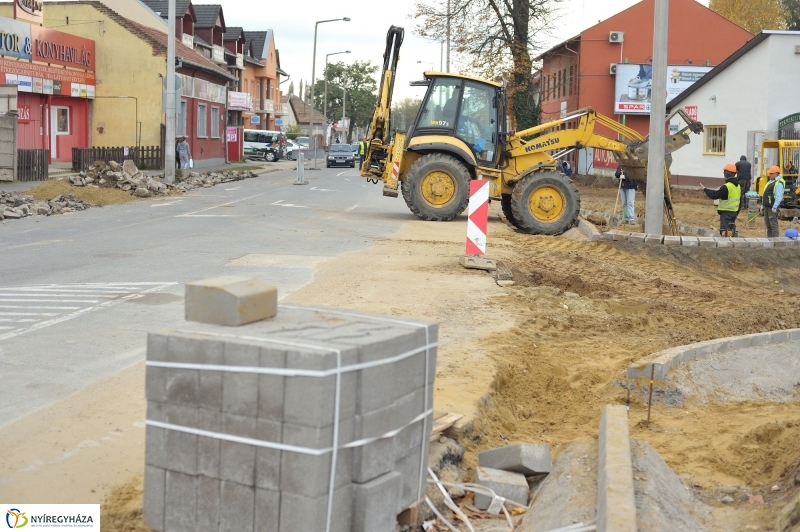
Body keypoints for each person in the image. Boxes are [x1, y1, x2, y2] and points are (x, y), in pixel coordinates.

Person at [701, 164, 742, 236]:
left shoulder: (726, 187)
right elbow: (740, 201)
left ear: (725, 174)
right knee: (731, 232)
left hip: (726, 214)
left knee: (724, 233)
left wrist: (705, 189)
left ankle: (726, 246)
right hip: (734, 213)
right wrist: (736, 213)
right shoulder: (738, 186)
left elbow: (714, 195)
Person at [762, 165, 785, 238]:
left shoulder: (779, 183)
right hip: (767, 206)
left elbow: (779, 197)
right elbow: (765, 194)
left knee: (773, 224)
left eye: (771, 174)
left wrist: (774, 207)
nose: (769, 175)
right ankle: (769, 240)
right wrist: (763, 205)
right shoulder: (771, 182)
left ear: (776, 174)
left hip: (772, 207)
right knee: (768, 225)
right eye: (769, 173)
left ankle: (775, 240)